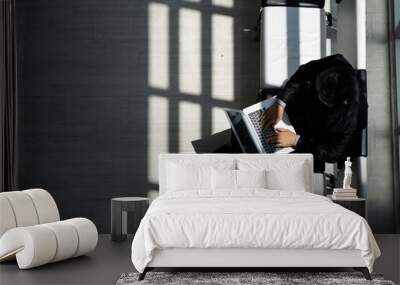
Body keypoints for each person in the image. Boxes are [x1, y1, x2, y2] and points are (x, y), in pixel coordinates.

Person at [261, 54, 368, 172]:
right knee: (260, 124)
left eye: (322, 96)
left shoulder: (348, 121)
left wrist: (295, 141)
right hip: (295, 108)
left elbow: (332, 154)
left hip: (308, 138)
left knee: (267, 165)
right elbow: (303, 72)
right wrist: (281, 103)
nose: (317, 94)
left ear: (336, 103)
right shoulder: (337, 62)